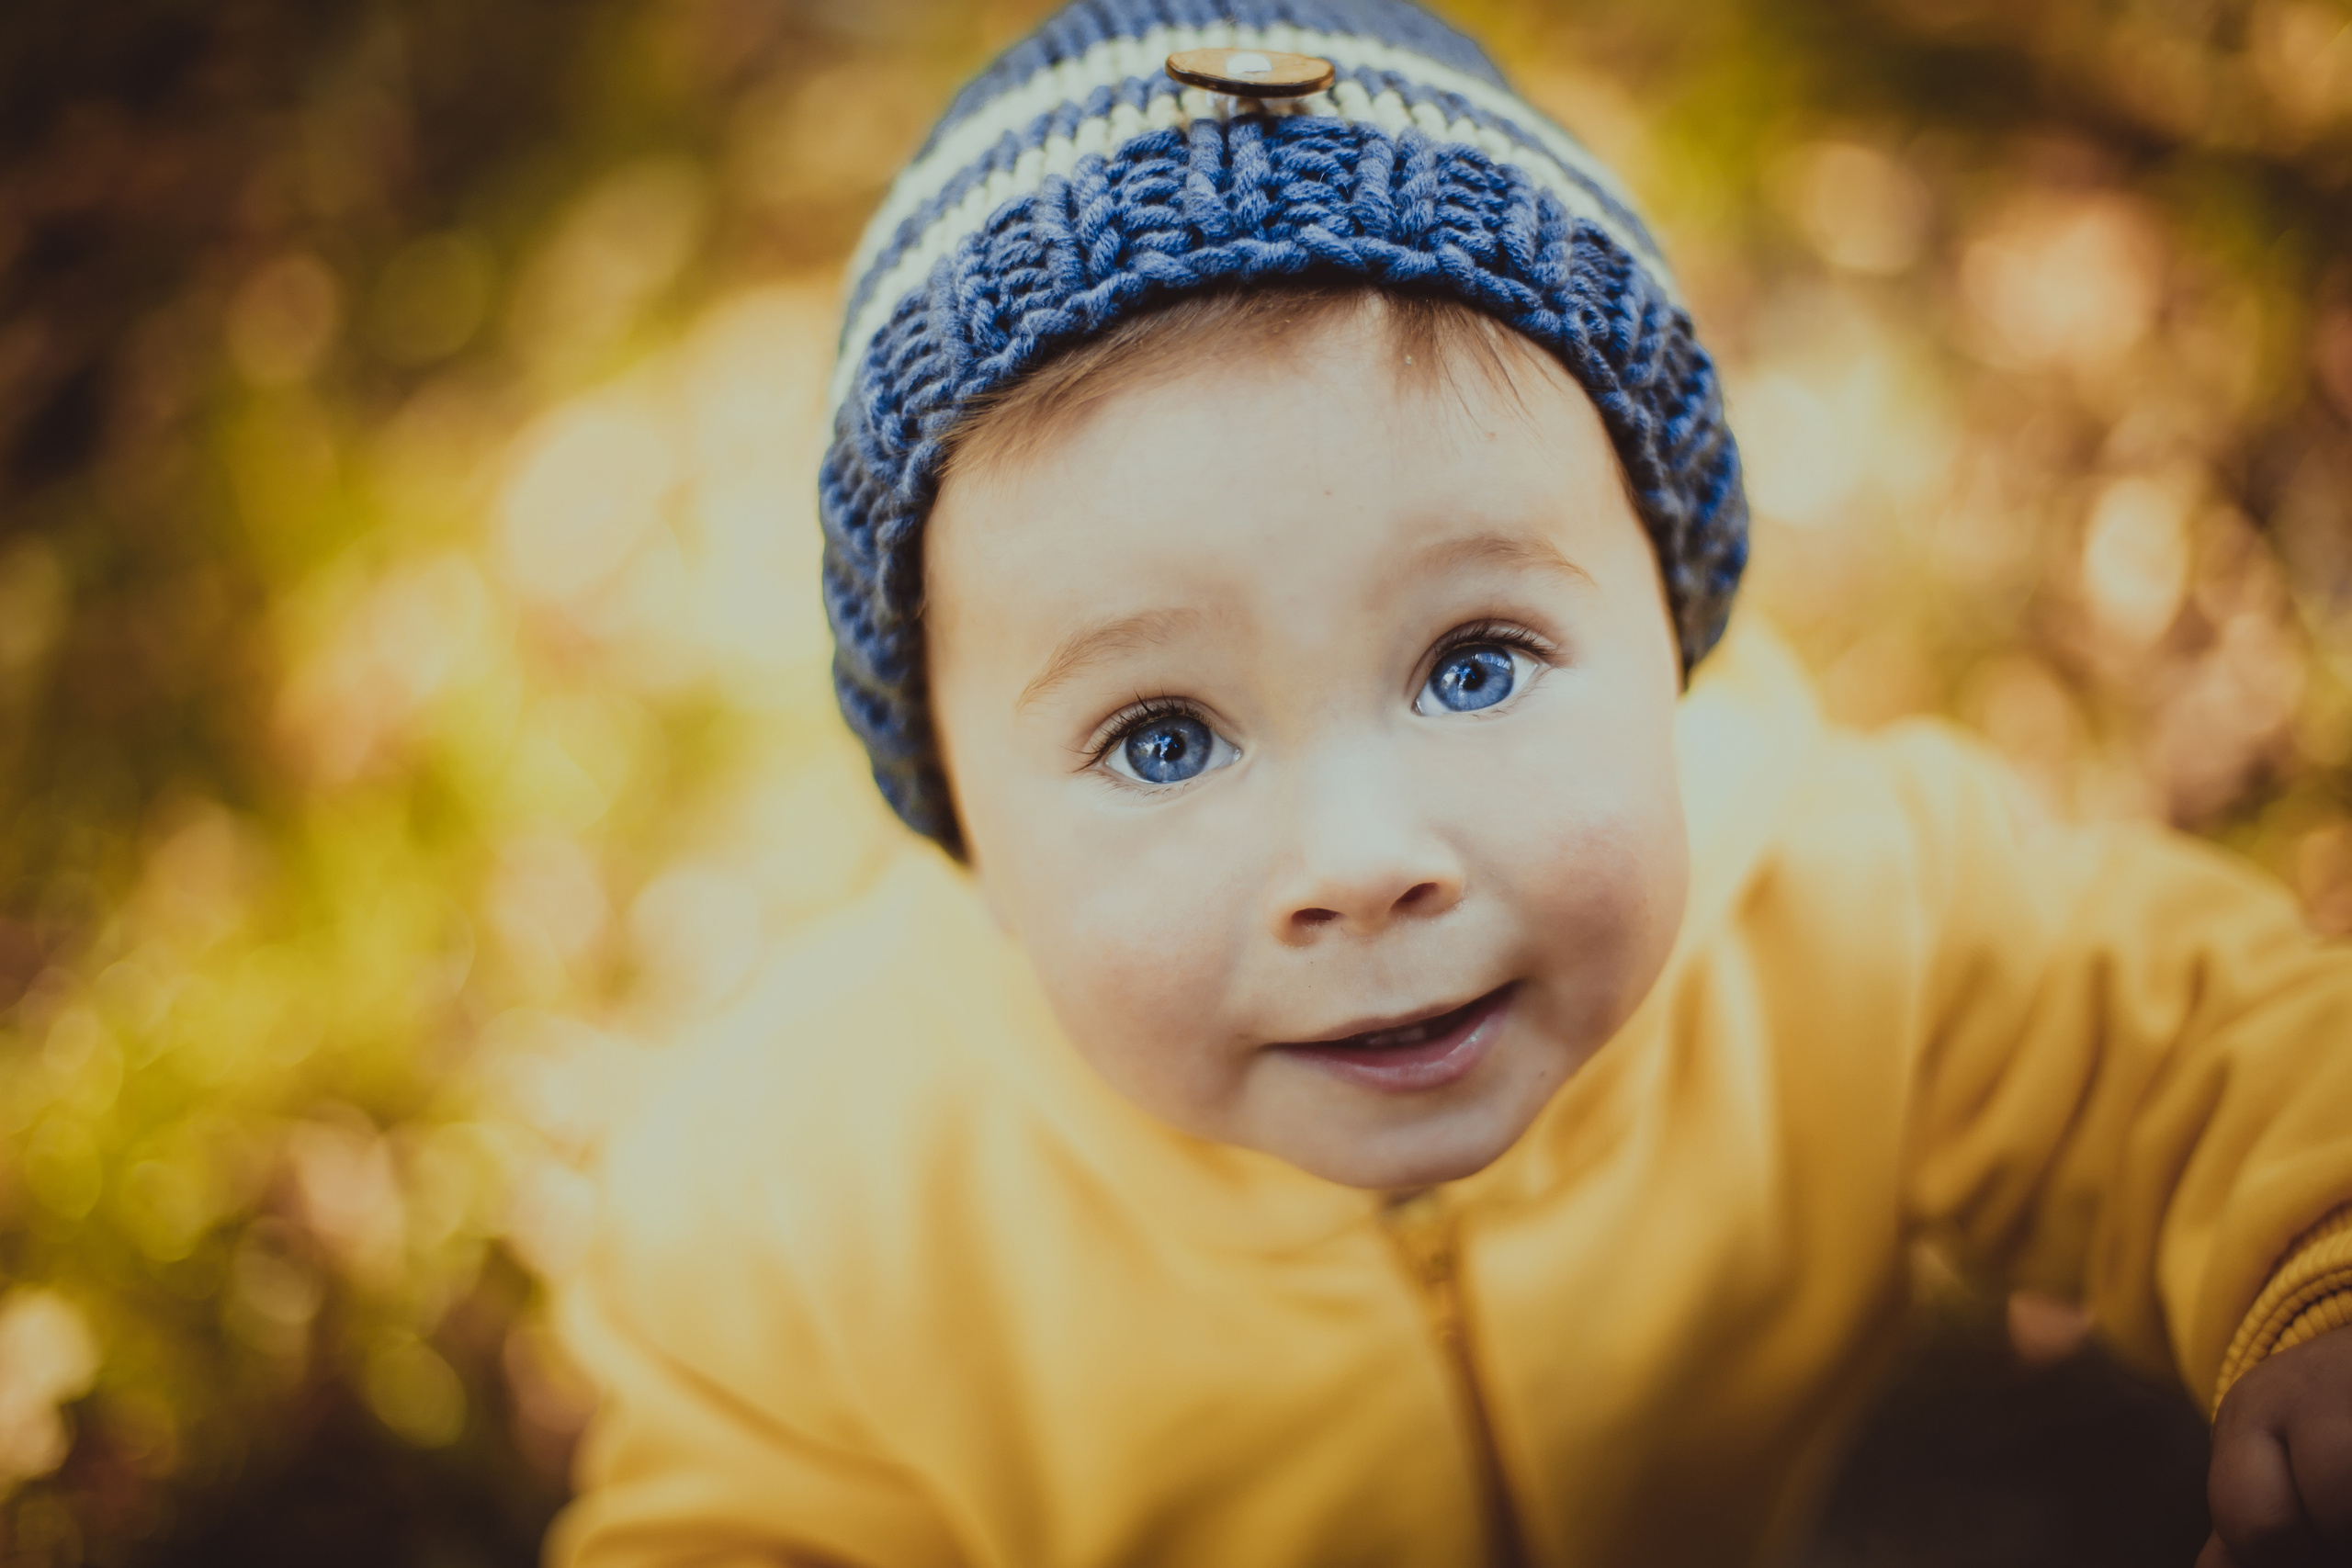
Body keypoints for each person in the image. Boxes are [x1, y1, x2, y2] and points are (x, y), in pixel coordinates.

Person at [547, 3, 2352, 1563]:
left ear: (1667, 631)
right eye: (1161, 736)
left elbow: (2188, 1052)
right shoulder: (819, 1211)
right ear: (965, 828)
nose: (1359, 859)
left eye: (1470, 663)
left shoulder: (1845, 911)